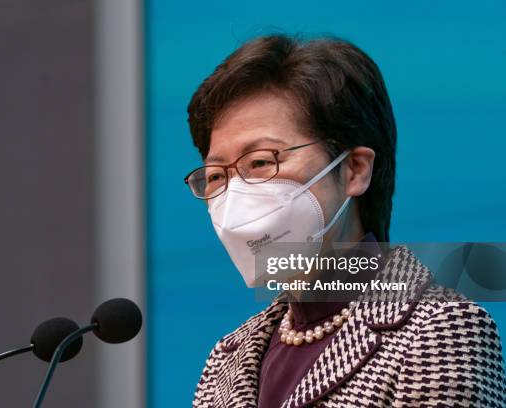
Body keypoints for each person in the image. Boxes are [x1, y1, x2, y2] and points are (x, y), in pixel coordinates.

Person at [183, 34, 506, 407]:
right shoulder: (227, 358)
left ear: (354, 170)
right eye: (217, 176)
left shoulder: (440, 331)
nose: (237, 197)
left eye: (261, 162)